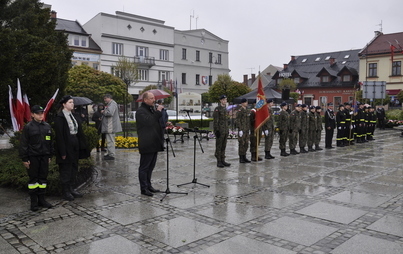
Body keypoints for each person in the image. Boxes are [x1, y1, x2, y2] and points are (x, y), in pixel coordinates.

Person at [19, 105, 54, 211]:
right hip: (33, 157)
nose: (40, 115)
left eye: (42, 113)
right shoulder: (28, 127)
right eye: (38, 113)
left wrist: (49, 155)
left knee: (43, 179)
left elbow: (50, 142)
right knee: (33, 181)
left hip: (44, 157)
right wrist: (25, 159)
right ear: (32, 115)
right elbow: (24, 144)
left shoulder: (47, 126)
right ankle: (34, 202)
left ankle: (42, 200)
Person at [54, 95, 88, 201]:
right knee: (66, 169)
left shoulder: (73, 115)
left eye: (72, 102)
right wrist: (62, 151)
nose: (72, 104)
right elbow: (59, 136)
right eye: (69, 102)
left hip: (74, 143)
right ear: (64, 104)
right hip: (66, 145)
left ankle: (72, 188)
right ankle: (66, 191)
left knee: (74, 167)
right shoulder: (60, 117)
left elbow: (79, 131)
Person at [136, 92, 163, 196]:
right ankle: (143, 188)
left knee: (151, 166)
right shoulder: (141, 111)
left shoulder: (150, 110)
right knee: (144, 167)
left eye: (154, 98)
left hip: (154, 142)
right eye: (151, 98)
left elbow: (154, 123)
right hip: (146, 143)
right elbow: (149, 122)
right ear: (145, 100)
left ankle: (148, 185)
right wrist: (158, 111)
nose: (154, 100)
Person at [101, 94, 122, 160]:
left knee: (110, 140)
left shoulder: (112, 104)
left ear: (109, 98)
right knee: (109, 140)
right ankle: (110, 153)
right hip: (110, 125)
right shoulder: (111, 104)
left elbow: (110, 113)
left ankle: (111, 155)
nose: (104, 100)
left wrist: (103, 112)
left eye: (105, 98)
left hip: (111, 125)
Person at [213, 95, 230, 167]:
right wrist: (216, 131)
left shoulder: (225, 109)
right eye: (223, 100)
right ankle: (219, 161)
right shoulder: (217, 109)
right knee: (219, 146)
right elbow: (215, 121)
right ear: (220, 101)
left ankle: (223, 160)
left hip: (225, 130)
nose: (224, 101)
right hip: (220, 130)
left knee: (224, 146)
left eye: (225, 99)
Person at [236, 98, 251, 163]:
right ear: (242, 103)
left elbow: (248, 120)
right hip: (242, 129)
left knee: (246, 143)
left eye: (247, 102)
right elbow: (238, 120)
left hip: (247, 129)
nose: (246, 103)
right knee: (241, 143)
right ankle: (241, 157)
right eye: (245, 102)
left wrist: (249, 128)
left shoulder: (247, 110)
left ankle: (244, 156)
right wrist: (240, 129)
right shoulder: (240, 110)